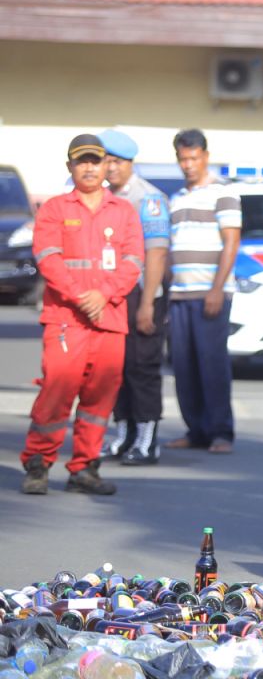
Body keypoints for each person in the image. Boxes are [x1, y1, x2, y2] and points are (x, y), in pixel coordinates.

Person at [19, 135, 144, 495]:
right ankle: (39, 463)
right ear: (70, 167)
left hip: (110, 318)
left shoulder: (123, 212)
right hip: (66, 319)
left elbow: (134, 259)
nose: (89, 167)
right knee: (57, 391)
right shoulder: (55, 209)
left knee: (99, 398)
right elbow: (48, 258)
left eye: (95, 161)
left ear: (107, 165)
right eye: (82, 161)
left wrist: (103, 294)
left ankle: (85, 467)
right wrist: (80, 296)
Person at [163, 129, 241, 455]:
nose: (188, 165)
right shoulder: (177, 198)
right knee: (184, 366)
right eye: (183, 159)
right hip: (180, 294)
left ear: (205, 157)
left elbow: (232, 241)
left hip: (210, 293)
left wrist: (216, 289)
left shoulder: (224, 193)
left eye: (194, 158)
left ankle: (221, 432)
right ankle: (195, 430)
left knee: (212, 364)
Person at [98, 130, 171, 466]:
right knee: (115, 367)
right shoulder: (98, 195)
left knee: (142, 366)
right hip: (111, 294)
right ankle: (124, 433)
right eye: (104, 160)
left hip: (143, 293)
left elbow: (156, 254)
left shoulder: (148, 198)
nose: (109, 168)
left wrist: (147, 305)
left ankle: (147, 439)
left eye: (116, 161)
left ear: (130, 163)